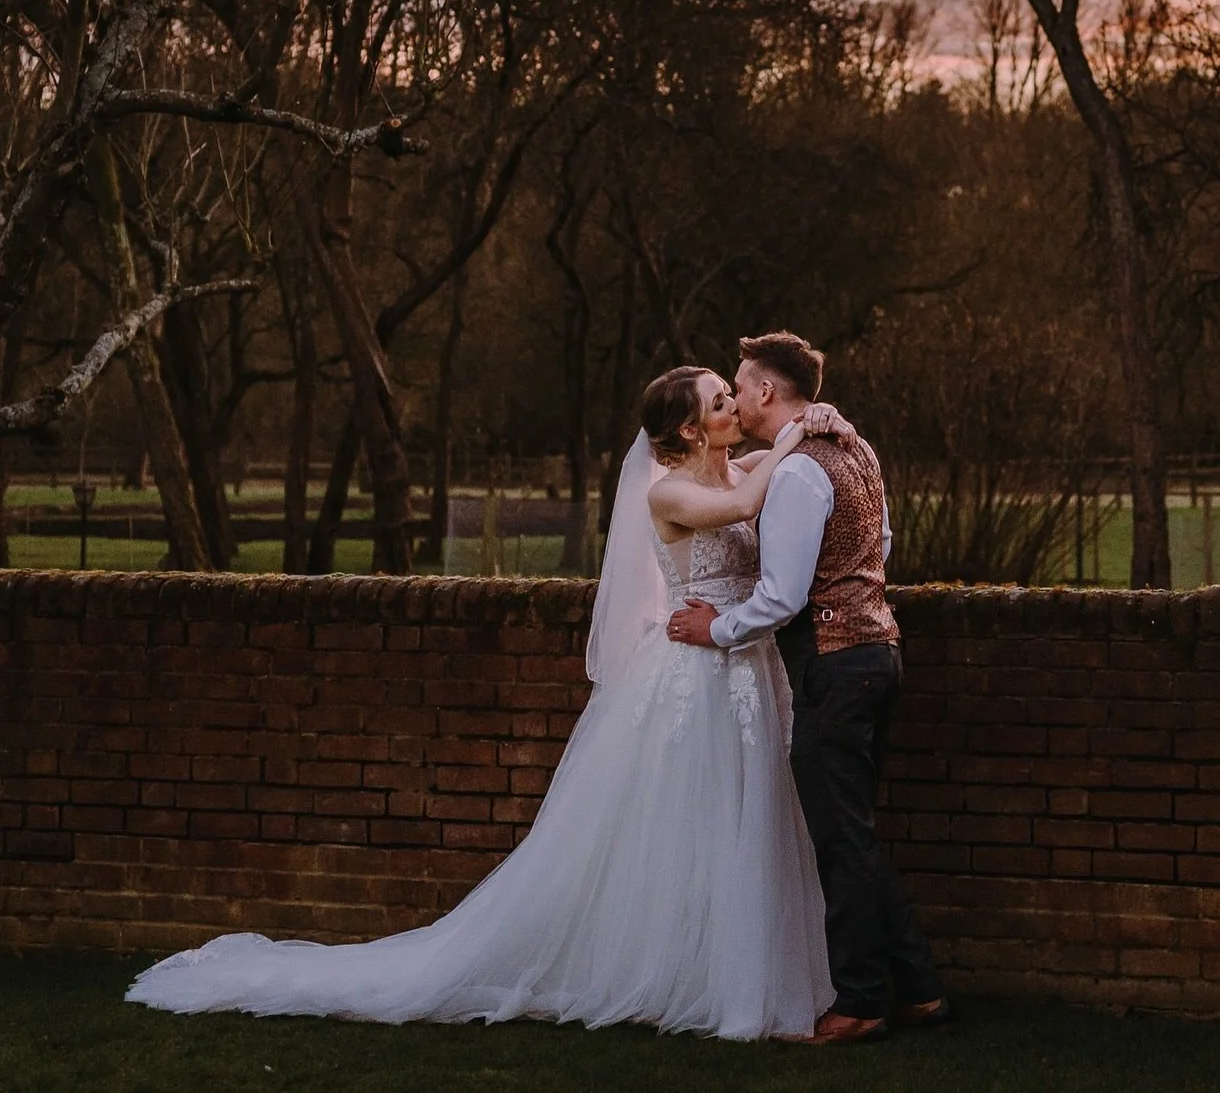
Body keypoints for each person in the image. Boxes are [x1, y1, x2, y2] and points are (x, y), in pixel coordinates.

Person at [126, 366, 836, 1041]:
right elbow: (746, 505)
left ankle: (718, 973)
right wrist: (800, 430)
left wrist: (805, 428)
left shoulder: (734, 468)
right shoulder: (671, 493)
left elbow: (763, 484)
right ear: (685, 431)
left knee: (741, 821)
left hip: (744, 671)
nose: (731, 409)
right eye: (718, 402)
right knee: (694, 824)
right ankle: (679, 978)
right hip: (694, 679)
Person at [668, 331, 947, 1045]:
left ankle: (859, 1002)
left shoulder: (795, 475)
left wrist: (718, 630)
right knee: (854, 831)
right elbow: (878, 547)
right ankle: (917, 988)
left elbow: (782, 597)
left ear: (767, 391)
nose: (735, 396)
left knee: (840, 838)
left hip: (832, 665)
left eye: (739, 385)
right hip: (879, 652)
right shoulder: (856, 450)